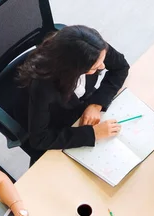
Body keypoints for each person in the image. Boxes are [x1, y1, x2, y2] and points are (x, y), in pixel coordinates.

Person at [14, 25, 130, 164]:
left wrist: (96, 105)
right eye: (95, 67)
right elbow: (39, 139)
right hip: (59, 120)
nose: (102, 67)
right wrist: (93, 134)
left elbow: (121, 67)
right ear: (75, 69)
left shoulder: (95, 48)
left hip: (82, 105)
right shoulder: (43, 88)